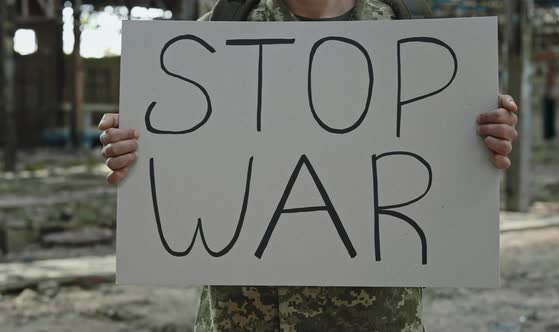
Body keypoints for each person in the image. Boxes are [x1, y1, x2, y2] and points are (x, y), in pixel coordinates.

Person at [98, 1, 519, 331]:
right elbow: (168, 165)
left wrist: (486, 140)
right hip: (244, 318)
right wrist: (128, 152)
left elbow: (445, 172)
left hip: (375, 320)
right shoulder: (209, 38)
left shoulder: (415, 36)